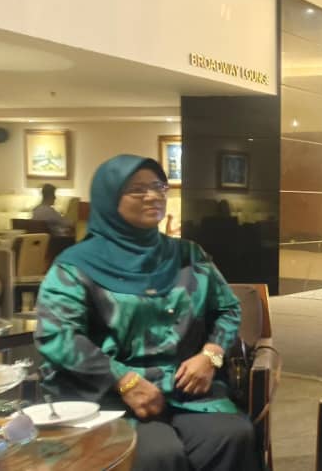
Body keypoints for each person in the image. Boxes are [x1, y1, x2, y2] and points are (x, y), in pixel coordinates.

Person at [34, 155, 258, 471]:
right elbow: (58, 336)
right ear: (109, 199)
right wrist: (123, 380)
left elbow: (227, 308)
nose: (153, 196)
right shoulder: (75, 265)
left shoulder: (188, 254)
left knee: (231, 436)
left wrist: (211, 355)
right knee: (156, 454)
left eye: (158, 186)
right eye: (137, 189)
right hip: (110, 396)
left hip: (187, 389)